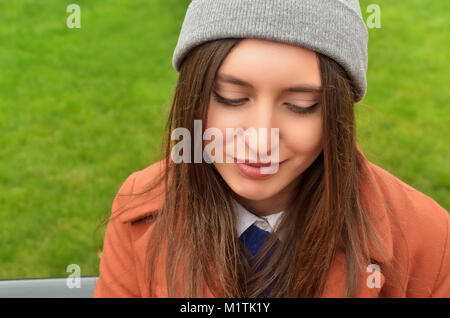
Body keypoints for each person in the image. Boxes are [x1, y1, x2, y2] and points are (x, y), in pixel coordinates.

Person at [94, 0, 450, 297]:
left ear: (339, 114)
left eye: (300, 105)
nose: (260, 141)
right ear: (193, 93)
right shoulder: (138, 209)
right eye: (231, 98)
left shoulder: (431, 241)